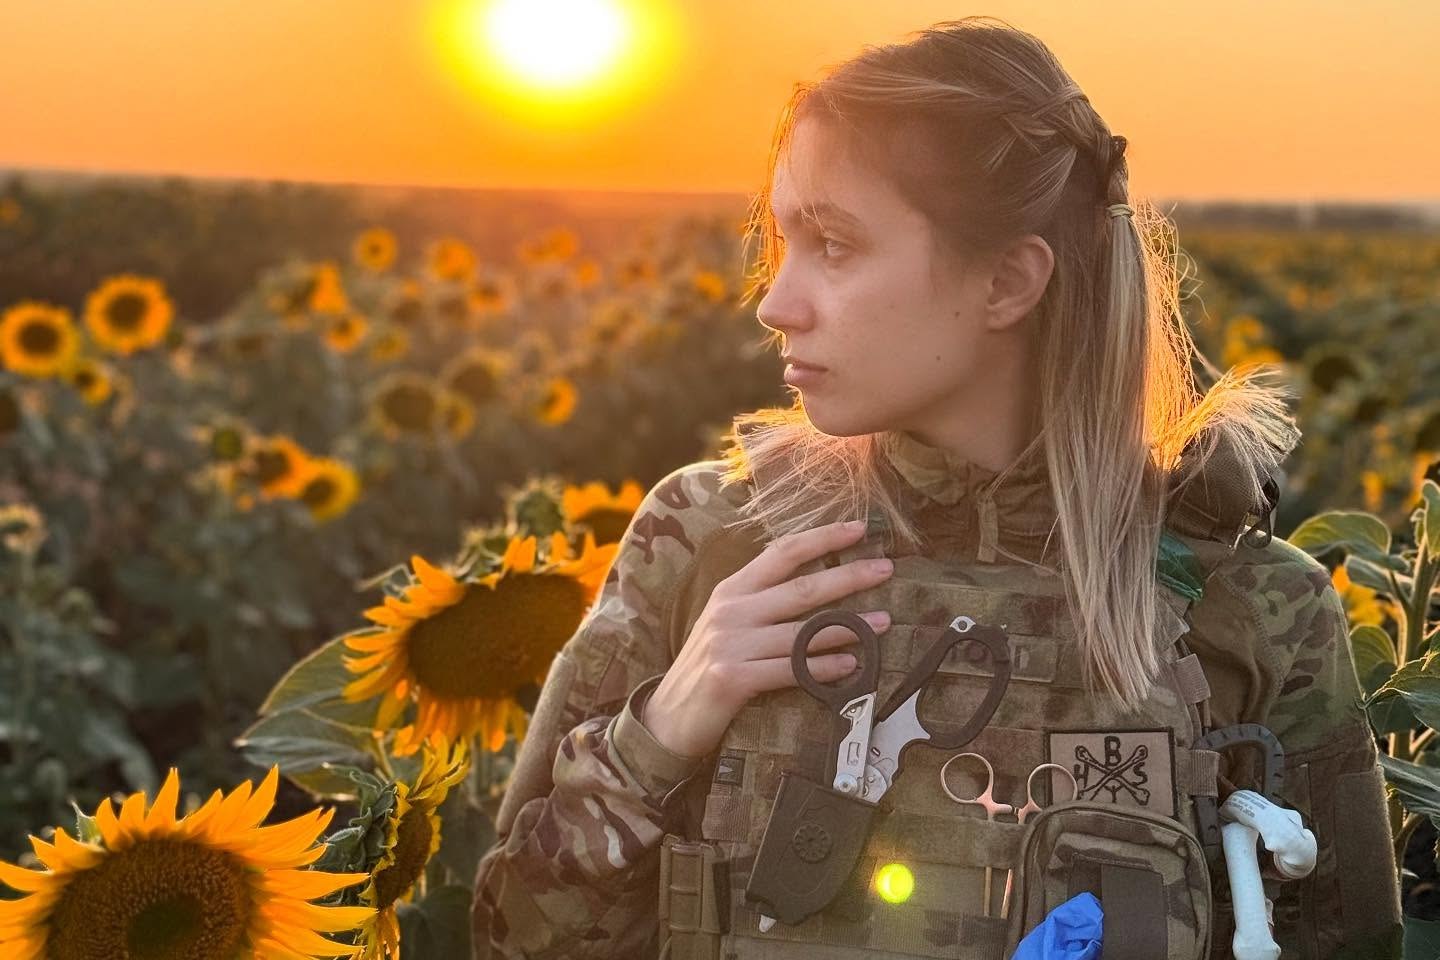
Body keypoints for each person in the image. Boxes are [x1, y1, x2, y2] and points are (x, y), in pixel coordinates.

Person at [470, 15, 1401, 960]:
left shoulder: (1251, 604)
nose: (775, 303)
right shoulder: (714, 540)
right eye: (779, 241)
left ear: (1006, 282)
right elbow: (508, 939)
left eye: (833, 245)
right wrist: (659, 735)